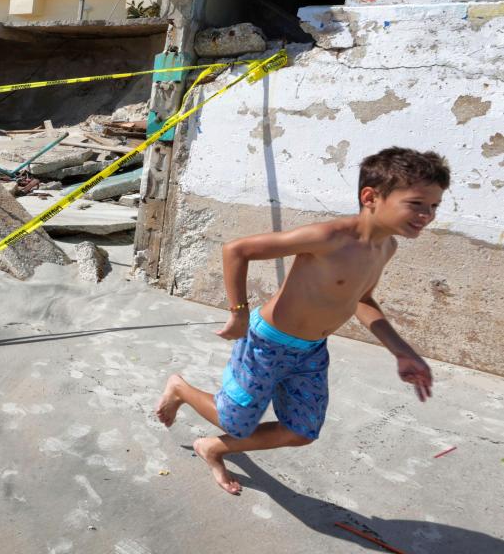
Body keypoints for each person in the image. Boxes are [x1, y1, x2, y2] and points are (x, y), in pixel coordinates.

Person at [154, 147, 449, 494]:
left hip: (311, 352)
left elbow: (362, 300)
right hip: (267, 345)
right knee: (236, 422)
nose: (427, 215)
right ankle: (180, 389)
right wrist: (239, 314)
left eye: (434, 206)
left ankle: (213, 447)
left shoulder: (386, 248)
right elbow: (237, 249)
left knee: (301, 431)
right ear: (370, 197)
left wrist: (401, 351)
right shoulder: (330, 237)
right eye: (417, 204)